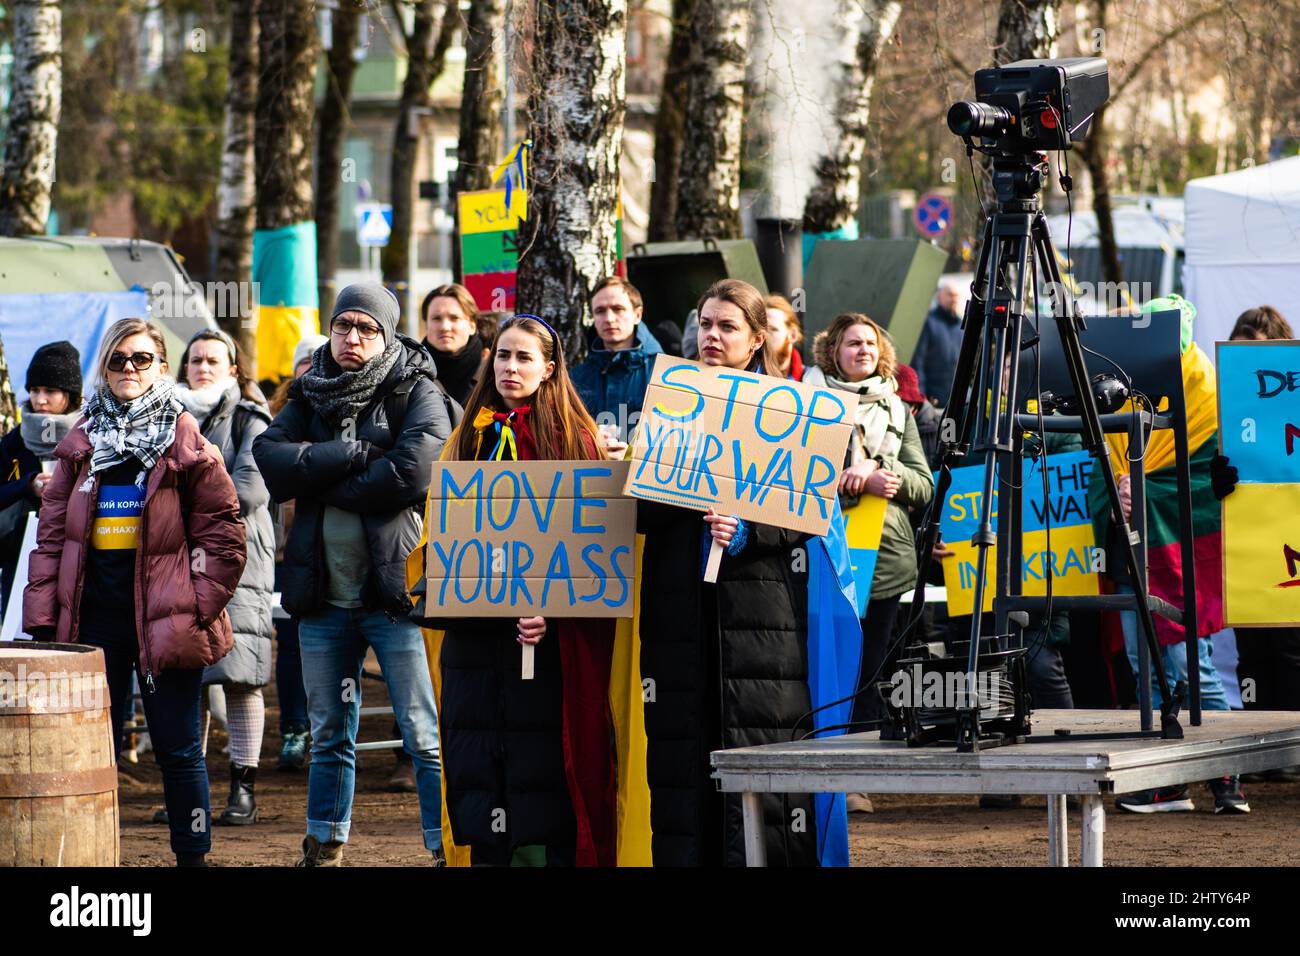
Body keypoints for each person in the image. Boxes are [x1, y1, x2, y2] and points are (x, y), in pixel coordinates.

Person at [24, 317, 246, 867]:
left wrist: (197, 605)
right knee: (87, 753)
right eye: (119, 359)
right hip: (93, 624)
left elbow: (225, 534)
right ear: (105, 366)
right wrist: (43, 619)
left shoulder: (185, 441)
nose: (129, 369)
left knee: (177, 749)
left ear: (161, 368)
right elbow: (51, 539)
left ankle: (192, 857)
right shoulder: (81, 443)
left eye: (142, 359)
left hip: (167, 620)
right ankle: (91, 860)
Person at [253, 282, 454, 866]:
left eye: (367, 328)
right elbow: (270, 458)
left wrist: (317, 476)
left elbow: (413, 473)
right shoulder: (311, 390)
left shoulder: (416, 390)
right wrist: (353, 456)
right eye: (344, 326)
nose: (353, 338)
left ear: (386, 334)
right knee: (328, 735)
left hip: (395, 596)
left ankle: (445, 847)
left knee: (423, 734)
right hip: (322, 598)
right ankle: (325, 845)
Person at [636, 278, 834, 866]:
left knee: (761, 751)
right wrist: (679, 491)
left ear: (755, 340)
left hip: (758, 617)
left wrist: (749, 530)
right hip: (678, 612)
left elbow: (807, 511)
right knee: (681, 759)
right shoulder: (669, 401)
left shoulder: (790, 410)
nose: (711, 335)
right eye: (705, 323)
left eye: (727, 326)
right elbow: (643, 511)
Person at [422, 313, 620, 866]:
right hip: (478, 639)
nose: (511, 367)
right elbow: (446, 531)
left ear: (549, 368)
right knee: (481, 762)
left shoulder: (575, 440)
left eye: (525, 357)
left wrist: (553, 613)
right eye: (503, 356)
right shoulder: (467, 437)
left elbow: (591, 547)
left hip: (549, 644)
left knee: (544, 773)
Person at [1087, 295, 1245, 813]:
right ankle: (1166, 781)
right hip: (1133, 555)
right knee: (1144, 664)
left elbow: (1217, 481)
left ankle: (1225, 777)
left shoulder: (1211, 401)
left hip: (1181, 556)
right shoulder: (1118, 391)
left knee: (1188, 664)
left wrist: (1148, 491)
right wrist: (1117, 494)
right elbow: (1097, 473)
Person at [804, 314, 934, 813]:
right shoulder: (805, 400)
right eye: (852, 343)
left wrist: (881, 471)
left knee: (867, 669)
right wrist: (839, 478)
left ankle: (855, 777)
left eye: (870, 344)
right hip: (822, 554)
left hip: (882, 561)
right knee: (824, 663)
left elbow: (924, 486)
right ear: (831, 350)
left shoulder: (898, 409)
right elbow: (785, 475)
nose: (863, 350)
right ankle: (820, 770)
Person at [174, 329, 275, 826]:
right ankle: (188, 793)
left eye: (215, 360)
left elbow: (250, 492)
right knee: (182, 673)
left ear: (234, 369)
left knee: (239, 675)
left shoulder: (253, 421)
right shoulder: (163, 420)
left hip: (238, 564)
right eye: (195, 360)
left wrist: (178, 505)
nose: (204, 367)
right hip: (174, 564)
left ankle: (244, 789)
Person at [1213, 305, 1300, 783]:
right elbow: (1204, 478)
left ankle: (1288, 748)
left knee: (1289, 649)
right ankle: (1261, 750)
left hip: (1289, 542)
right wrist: (1216, 481)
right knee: (1252, 653)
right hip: (1249, 549)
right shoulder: (1223, 414)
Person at [266, 334, 325, 772]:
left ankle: (327, 729)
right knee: (289, 645)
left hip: (331, 551)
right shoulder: (281, 415)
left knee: (330, 644)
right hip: (285, 554)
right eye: (305, 361)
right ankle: (294, 729)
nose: (311, 369)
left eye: (317, 361)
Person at [0, 341, 83, 614]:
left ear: (70, 395)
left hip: (77, 555)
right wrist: (28, 485)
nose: (40, 399)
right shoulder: (14, 442)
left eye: (51, 390)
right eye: (35, 390)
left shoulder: (90, 436)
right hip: (22, 558)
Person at [570, 276, 662, 450]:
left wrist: (630, 455)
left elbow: (677, 440)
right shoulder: (575, 378)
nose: (609, 318)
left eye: (618, 309)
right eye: (600, 311)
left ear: (637, 315)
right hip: (589, 474)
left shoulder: (664, 374)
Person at [420, 282, 487, 406]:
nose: (445, 327)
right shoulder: (411, 374)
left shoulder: (493, 373)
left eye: (454, 318)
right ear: (426, 325)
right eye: (436, 318)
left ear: (472, 325)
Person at [912, 278, 965, 401]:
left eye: (956, 296)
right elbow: (918, 361)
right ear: (939, 296)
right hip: (932, 398)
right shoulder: (928, 322)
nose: (954, 299)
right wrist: (921, 396)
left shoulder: (962, 326)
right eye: (950, 295)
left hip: (957, 399)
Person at [764, 293, 805, 380]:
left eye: (772, 330)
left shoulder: (811, 381)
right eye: (759, 331)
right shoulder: (744, 371)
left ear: (793, 335)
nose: (763, 337)